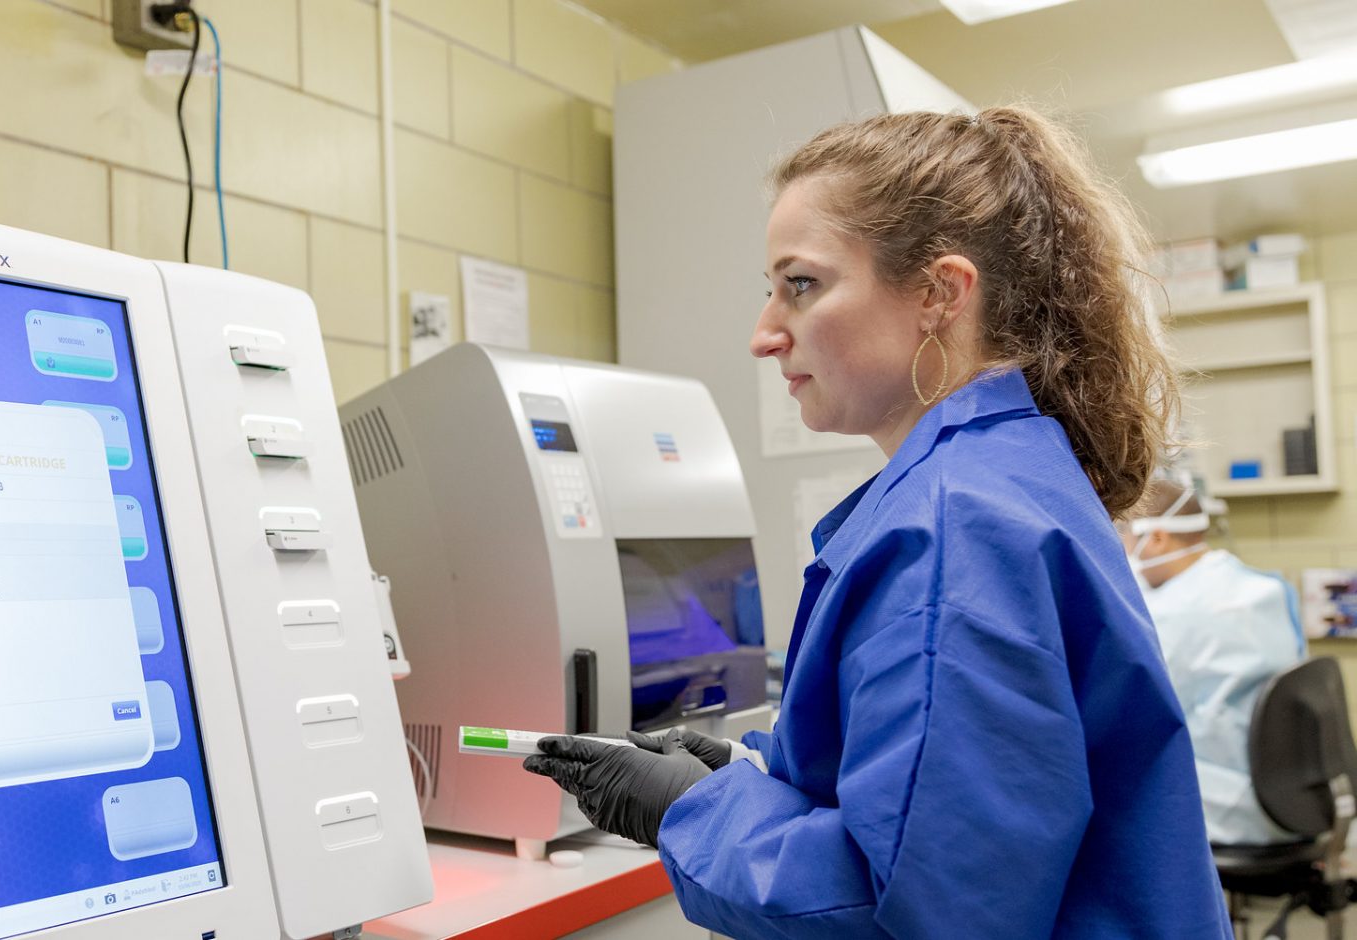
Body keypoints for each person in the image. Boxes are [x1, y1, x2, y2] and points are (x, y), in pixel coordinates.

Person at [522, 107, 1232, 938]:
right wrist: (761, 782)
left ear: (938, 293)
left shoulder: (952, 527)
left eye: (802, 285)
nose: (763, 334)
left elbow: (925, 913)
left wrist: (694, 814)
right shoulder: (1010, 470)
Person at [1121, 479, 1304, 845]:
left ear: (1155, 538)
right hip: (1293, 794)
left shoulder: (1175, 613)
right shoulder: (1258, 586)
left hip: (1232, 803)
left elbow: (1137, 709)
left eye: (1123, 538)